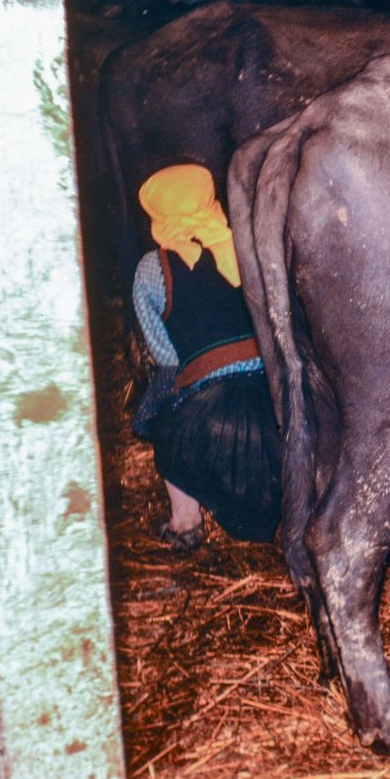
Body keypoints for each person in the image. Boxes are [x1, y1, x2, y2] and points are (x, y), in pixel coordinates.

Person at [130, 163, 282, 550]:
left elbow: (165, 356)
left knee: (156, 420)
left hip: (211, 422)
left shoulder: (152, 270)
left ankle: (185, 522)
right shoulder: (250, 251)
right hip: (276, 408)